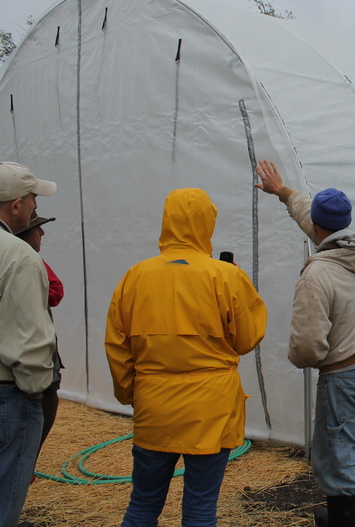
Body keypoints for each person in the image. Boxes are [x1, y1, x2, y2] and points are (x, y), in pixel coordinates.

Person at [105, 188, 267, 527]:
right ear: (208, 222)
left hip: (155, 407)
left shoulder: (135, 277)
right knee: (199, 510)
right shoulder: (225, 276)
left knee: (142, 507)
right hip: (211, 409)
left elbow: (118, 348)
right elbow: (247, 339)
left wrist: (134, 395)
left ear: (166, 221)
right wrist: (238, 282)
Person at [255, 160, 355, 527]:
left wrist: (298, 356)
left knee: (335, 457)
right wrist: (283, 192)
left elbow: (307, 348)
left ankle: (344, 521)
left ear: (318, 227)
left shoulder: (318, 273)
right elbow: (313, 217)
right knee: (349, 446)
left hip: (342, 378)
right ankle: (340, 514)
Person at [0, 162, 57, 527]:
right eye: (33, 199)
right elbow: (29, 340)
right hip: (9, 394)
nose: (37, 206)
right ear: (16, 205)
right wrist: (36, 390)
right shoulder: (19, 256)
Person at [15, 215, 65, 474]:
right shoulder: (26, 259)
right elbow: (56, 291)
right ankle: (25, 466)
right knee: (43, 397)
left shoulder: (27, 259)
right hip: (29, 351)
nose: (42, 234)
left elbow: (55, 291)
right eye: (37, 229)